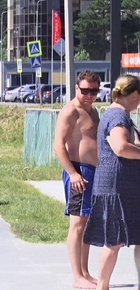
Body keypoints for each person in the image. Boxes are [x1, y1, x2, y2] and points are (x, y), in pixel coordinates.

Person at [83, 75, 140, 290]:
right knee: (114, 240)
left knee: (123, 239)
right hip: (118, 188)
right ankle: (102, 286)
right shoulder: (118, 116)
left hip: (118, 186)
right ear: (134, 94)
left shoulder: (113, 112)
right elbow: (121, 147)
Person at [53, 70, 101, 288]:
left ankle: (85, 271)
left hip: (93, 172)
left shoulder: (94, 111)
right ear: (76, 89)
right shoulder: (71, 111)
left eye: (93, 91)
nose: (89, 95)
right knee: (77, 225)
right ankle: (77, 276)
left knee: (87, 224)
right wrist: (73, 173)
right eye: (85, 91)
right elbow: (58, 145)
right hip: (79, 172)